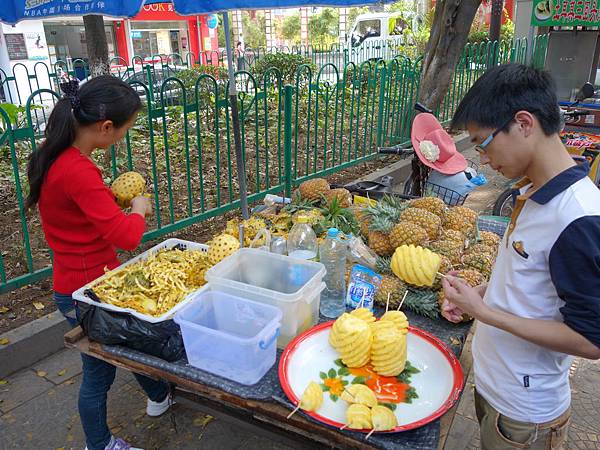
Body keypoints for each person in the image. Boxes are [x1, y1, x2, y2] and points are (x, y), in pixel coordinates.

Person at [441, 63, 600, 449]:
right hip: (495, 390)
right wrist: (478, 294)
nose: (482, 158)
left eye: (482, 142)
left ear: (524, 123)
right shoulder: (532, 191)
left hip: (526, 417)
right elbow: (531, 281)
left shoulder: (577, 217)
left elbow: (590, 340)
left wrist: (485, 313)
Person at [26, 76, 171, 450]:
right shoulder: (78, 170)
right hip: (88, 291)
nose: (123, 137)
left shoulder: (55, 155)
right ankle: (100, 443)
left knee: (131, 344)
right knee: (98, 370)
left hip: (82, 281)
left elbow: (79, 214)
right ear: (106, 127)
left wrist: (109, 201)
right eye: (125, 130)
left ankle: (159, 395)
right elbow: (126, 237)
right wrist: (137, 209)